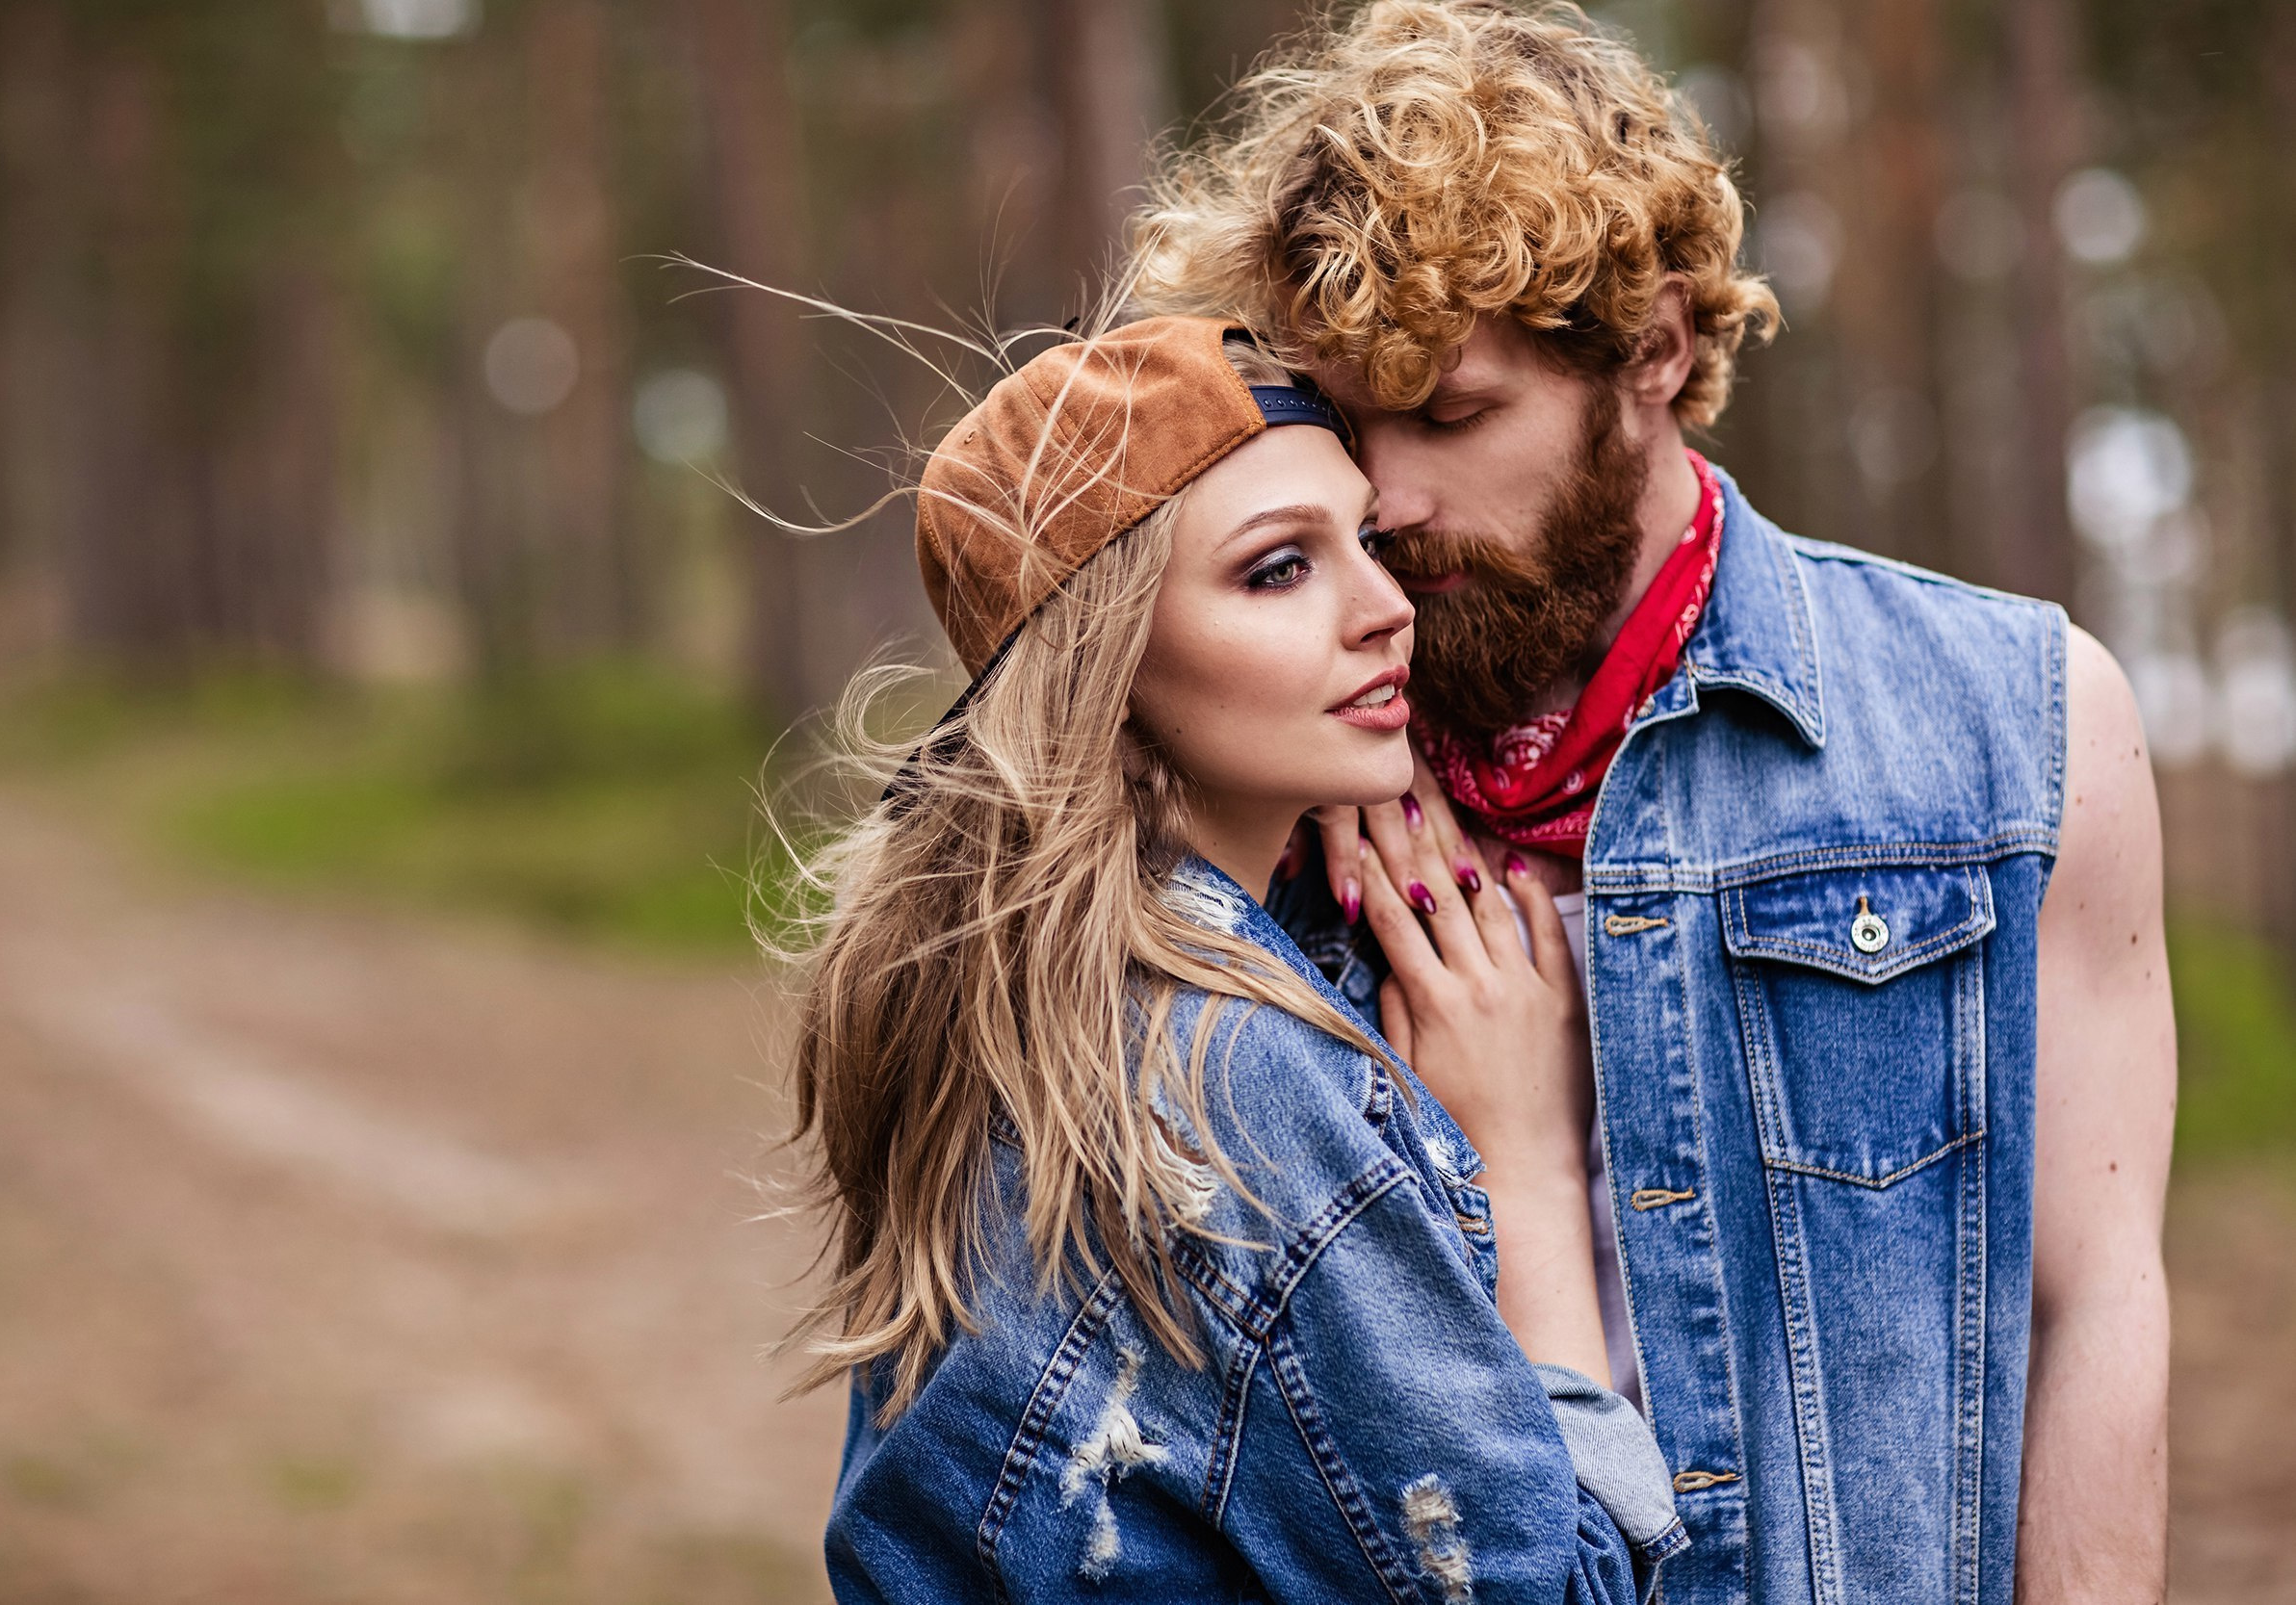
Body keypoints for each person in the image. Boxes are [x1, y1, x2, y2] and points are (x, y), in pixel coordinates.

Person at [1129, 6, 2176, 1604]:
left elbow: (2091, 1310)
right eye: (1351, 422)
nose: (1387, 501)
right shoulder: (1272, 778)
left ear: (1658, 353)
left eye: (1454, 415)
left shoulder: (2018, 730)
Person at [778, 314, 1687, 1600]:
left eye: (1364, 544)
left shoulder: (1029, 1006)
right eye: (1278, 571)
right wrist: (1526, 1165)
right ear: (1108, 669)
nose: (1386, 608)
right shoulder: (1232, 1081)